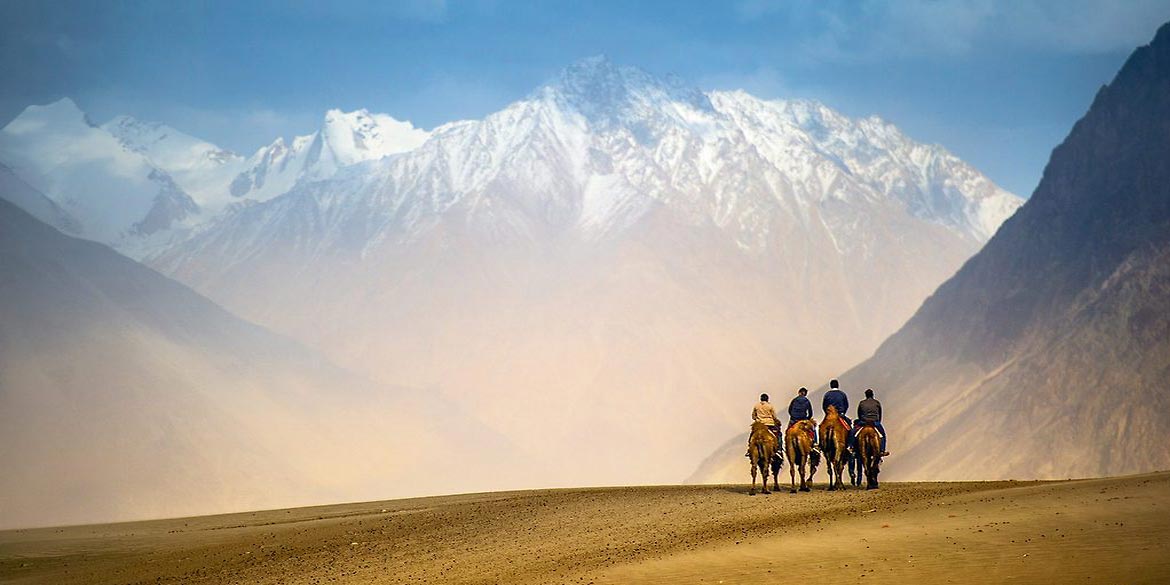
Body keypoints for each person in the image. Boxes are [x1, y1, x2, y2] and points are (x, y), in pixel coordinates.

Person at [855, 388, 889, 456]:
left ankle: (852, 448)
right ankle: (882, 450)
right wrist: (878, 421)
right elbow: (880, 413)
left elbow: (859, 413)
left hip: (864, 422)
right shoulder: (877, 403)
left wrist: (862, 420)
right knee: (883, 436)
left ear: (866, 395)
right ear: (872, 395)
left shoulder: (862, 403)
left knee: (853, 434)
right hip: (874, 422)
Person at [746, 393, 780, 457]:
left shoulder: (756, 406)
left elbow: (753, 416)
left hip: (759, 425)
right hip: (769, 424)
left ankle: (749, 449)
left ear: (760, 399)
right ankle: (778, 449)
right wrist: (775, 420)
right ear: (767, 399)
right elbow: (774, 416)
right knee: (778, 435)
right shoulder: (770, 406)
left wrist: (758, 419)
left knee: (752, 436)